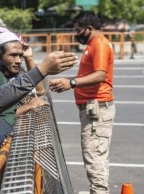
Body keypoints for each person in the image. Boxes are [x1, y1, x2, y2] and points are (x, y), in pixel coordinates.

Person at [49, 11, 115, 194]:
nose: (76, 34)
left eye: (78, 30)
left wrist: (70, 83)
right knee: (94, 157)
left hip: (97, 109)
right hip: (93, 108)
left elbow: (100, 75)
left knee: (95, 159)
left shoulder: (99, 44)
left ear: (89, 29)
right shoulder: (94, 44)